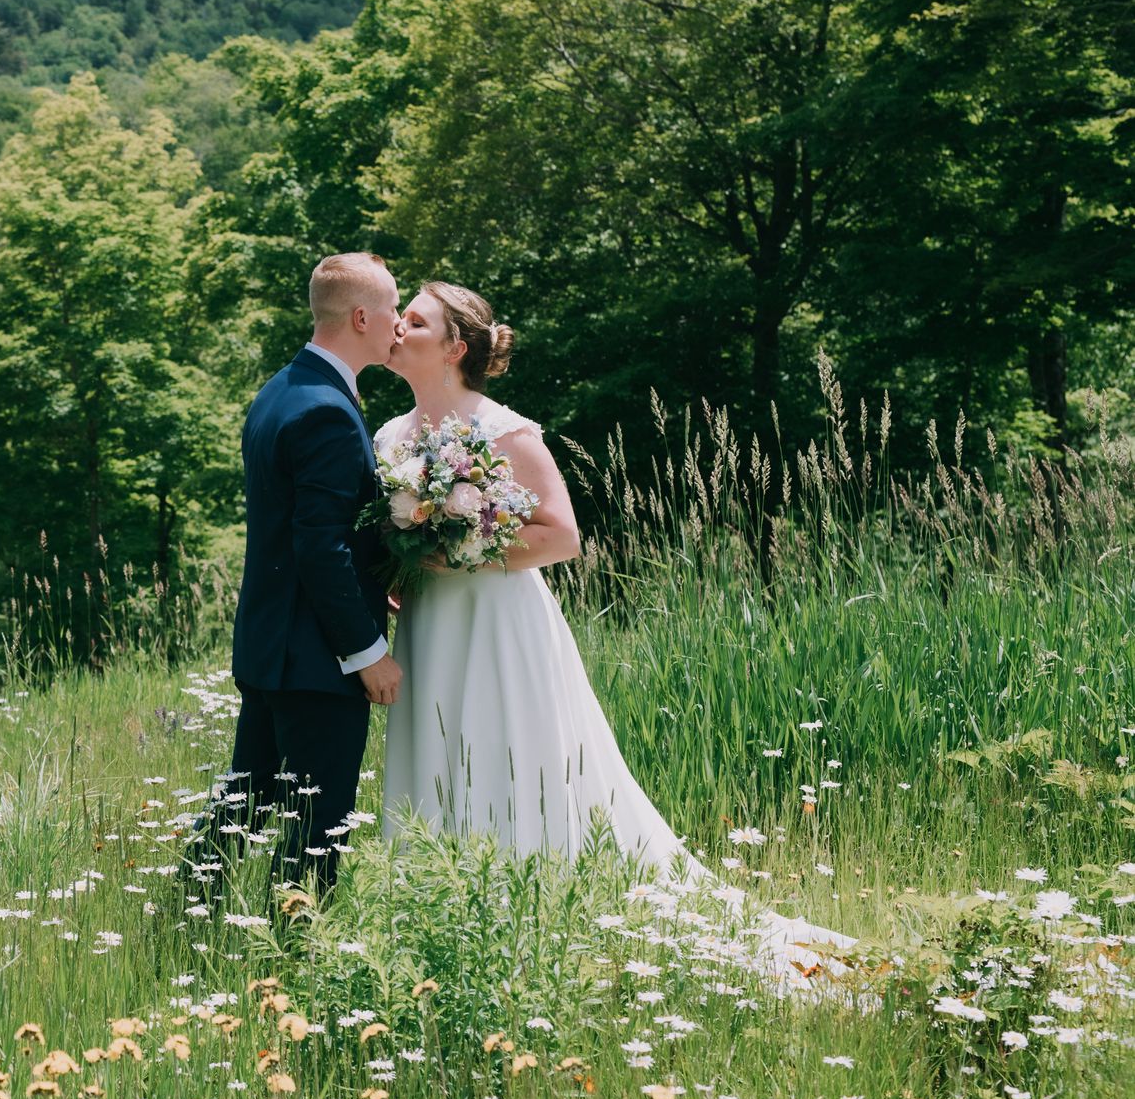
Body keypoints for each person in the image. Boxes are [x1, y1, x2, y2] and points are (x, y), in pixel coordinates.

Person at [376, 279, 856, 989]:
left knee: (510, 751)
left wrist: (458, 551)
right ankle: (437, 914)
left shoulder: (505, 430)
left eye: (414, 320)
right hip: (430, 622)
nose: (397, 326)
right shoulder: (389, 435)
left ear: (455, 346)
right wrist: (404, 561)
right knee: (441, 747)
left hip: (498, 623)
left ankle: (536, 909)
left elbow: (561, 536)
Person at [190, 252, 403, 897]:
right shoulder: (327, 411)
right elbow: (320, 548)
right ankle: (296, 948)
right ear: (362, 316)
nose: (397, 324)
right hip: (315, 657)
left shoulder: (282, 388)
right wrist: (365, 651)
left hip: (272, 645)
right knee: (318, 825)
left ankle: (185, 914)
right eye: (393, 309)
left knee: (248, 800)